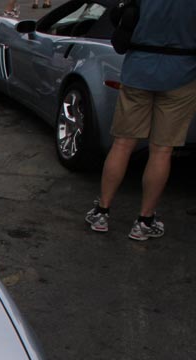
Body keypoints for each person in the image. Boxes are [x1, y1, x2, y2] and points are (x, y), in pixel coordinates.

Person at [84, 0, 196, 241]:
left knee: (123, 144)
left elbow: (119, 16)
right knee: (162, 150)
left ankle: (102, 212)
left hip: (138, 69)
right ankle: (144, 221)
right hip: (182, 74)